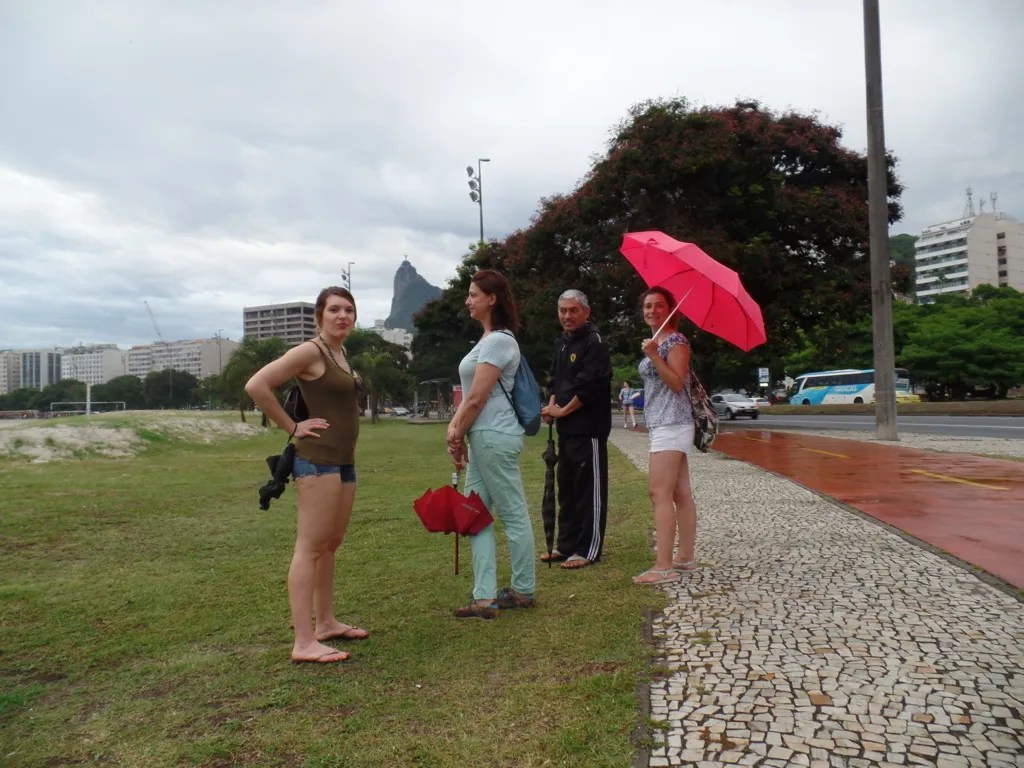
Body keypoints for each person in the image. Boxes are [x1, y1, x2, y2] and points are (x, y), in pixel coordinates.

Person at [244, 286, 369, 663]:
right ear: (320, 315)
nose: (342, 316)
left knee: (331, 544)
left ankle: (326, 622)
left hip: (343, 461)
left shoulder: (339, 353)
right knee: (310, 548)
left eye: (349, 310)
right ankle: (303, 642)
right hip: (316, 460)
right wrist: (293, 427)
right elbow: (257, 386)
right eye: (334, 310)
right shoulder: (310, 351)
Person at [446, 269, 537, 619]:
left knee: (512, 513)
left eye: (473, 294)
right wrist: (455, 431)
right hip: (481, 435)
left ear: (492, 299)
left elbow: (477, 398)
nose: (468, 301)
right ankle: (483, 597)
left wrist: (456, 432)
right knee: (474, 517)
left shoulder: (500, 341)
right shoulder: (485, 342)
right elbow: (469, 398)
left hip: (494, 435)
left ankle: (524, 588)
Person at [540, 289, 612, 570]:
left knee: (588, 491)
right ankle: (566, 545)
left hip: (589, 430)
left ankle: (587, 549)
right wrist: (551, 408)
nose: (567, 316)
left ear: (586, 312)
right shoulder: (563, 343)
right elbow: (556, 382)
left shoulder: (594, 343)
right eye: (563, 311)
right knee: (566, 491)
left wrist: (563, 411)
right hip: (566, 430)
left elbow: (589, 388)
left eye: (573, 310)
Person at [632, 286, 697, 586]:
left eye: (659, 305)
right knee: (680, 493)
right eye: (647, 306)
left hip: (672, 422)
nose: (652, 311)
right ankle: (684, 558)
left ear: (670, 308)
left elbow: (676, 382)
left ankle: (663, 566)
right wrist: (653, 351)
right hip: (664, 424)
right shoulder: (658, 341)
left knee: (658, 493)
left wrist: (654, 356)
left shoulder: (676, 341)